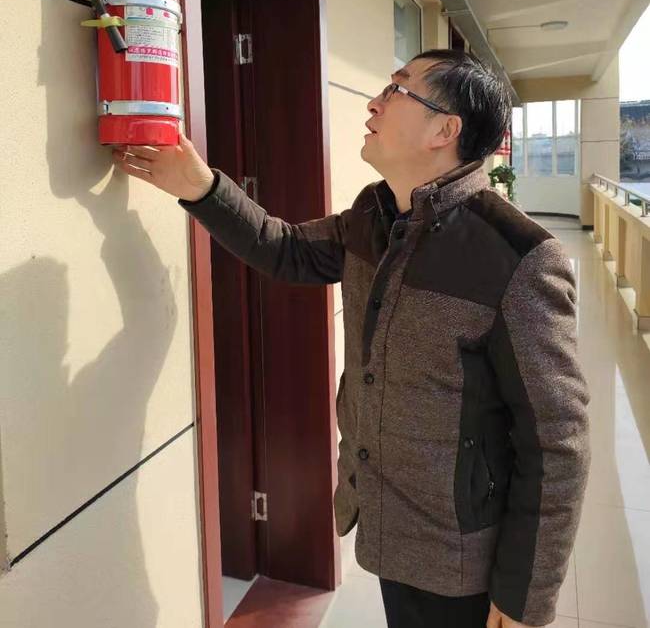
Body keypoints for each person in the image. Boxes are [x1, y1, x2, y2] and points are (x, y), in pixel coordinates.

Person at [113, 50, 590, 628]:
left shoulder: (518, 258)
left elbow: (556, 443)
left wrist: (522, 601)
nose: (373, 103)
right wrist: (200, 186)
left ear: (444, 130)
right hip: (388, 525)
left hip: (464, 560)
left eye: (397, 90)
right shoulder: (376, 215)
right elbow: (287, 249)